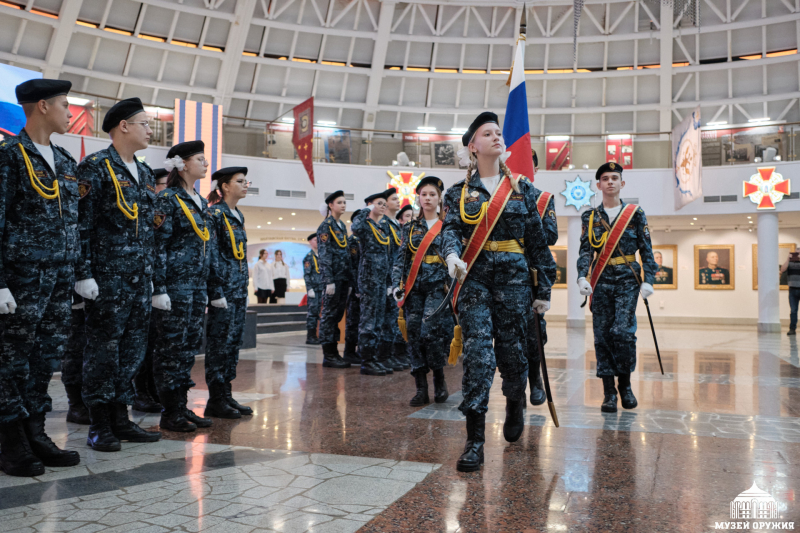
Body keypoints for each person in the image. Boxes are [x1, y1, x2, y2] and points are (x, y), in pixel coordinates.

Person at [441, 112, 556, 472]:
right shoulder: (458, 193)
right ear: (472, 146)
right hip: (474, 280)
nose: (496, 137)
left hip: (515, 282)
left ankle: (514, 402)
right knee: (477, 354)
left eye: (498, 133)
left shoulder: (522, 189)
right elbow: (449, 230)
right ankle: (474, 440)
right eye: (486, 133)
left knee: (512, 352)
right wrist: (451, 255)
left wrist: (544, 289)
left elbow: (537, 243)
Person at [0, 79, 82, 476]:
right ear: (44, 106)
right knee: (10, 360)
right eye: (66, 105)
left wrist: (78, 275)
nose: (71, 113)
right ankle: (9, 439)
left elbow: (74, 224)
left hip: (59, 281)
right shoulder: (9, 156)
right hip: (21, 281)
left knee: (44, 358)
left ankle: (35, 430)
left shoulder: (65, 161)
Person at [76, 97, 162, 451]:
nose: (150, 130)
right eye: (145, 123)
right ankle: (99, 424)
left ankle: (120, 418)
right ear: (123, 126)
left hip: (138, 279)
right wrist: (83, 274)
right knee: (103, 351)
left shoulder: (144, 173)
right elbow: (81, 226)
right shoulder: (95, 167)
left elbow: (149, 231)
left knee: (132, 351)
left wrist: (152, 275)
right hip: (107, 279)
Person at [577, 162, 658, 414]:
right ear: (598, 185)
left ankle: (625, 385)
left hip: (627, 279)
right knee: (602, 336)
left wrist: (649, 279)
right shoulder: (590, 217)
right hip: (600, 280)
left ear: (622, 183)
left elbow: (646, 248)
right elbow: (585, 250)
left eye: (614, 178)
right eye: (605, 178)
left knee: (622, 332)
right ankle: (608, 392)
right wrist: (582, 276)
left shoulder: (635, 213)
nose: (610, 182)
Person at [152, 140, 214, 432]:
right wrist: (159, 288)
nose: (205, 163)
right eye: (200, 159)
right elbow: (158, 245)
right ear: (183, 164)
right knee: (170, 348)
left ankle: (181, 405)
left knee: (188, 348)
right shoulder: (168, 199)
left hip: (196, 287)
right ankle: (169, 411)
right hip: (175, 286)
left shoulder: (200, 201)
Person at [392, 176, 453, 405]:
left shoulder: (447, 226)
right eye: (424, 194)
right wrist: (396, 285)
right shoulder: (410, 228)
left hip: (438, 287)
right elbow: (401, 259)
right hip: (414, 288)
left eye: (432, 195)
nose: (427, 198)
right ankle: (421, 388)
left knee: (430, 333)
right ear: (418, 198)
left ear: (439, 199)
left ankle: (439, 379)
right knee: (414, 334)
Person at [203, 166, 253, 419]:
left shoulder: (237, 214)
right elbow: (211, 255)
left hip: (237, 290)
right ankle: (215, 399)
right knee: (219, 344)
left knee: (233, 343)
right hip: (223, 291)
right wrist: (215, 291)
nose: (246, 185)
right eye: (240, 181)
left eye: (246, 181)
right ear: (224, 186)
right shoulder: (215, 214)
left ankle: (226, 393)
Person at [132, 168, 169, 414]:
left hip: (158, 284)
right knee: (143, 343)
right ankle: (140, 392)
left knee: (157, 342)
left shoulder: (164, 209)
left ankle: (153, 389)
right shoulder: (148, 210)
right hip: (144, 283)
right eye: (165, 184)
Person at [525, 149, 558, 407]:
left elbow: (551, 236)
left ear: (535, 170)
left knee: (534, 332)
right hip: (500, 275)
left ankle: (535, 380)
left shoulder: (543, 199)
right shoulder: (493, 198)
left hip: (531, 274)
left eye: (528, 164)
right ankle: (515, 390)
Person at [352, 192, 393, 375]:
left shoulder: (381, 228)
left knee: (378, 320)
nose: (383, 206)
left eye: (385, 204)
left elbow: (387, 256)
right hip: (369, 279)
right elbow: (355, 227)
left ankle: (373, 357)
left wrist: (389, 281)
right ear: (370, 205)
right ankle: (366, 360)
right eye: (379, 203)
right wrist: (365, 210)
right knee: (368, 320)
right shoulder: (365, 225)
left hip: (381, 280)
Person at [316, 190, 354, 368]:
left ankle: (335, 353)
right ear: (330, 205)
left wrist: (349, 280)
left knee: (337, 315)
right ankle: (329, 354)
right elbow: (324, 255)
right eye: (339, 202)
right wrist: (328, 280)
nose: (343, 205)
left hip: (343, 278)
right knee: (329, 316)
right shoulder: (326, 226)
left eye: (344, 202)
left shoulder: (341, 226)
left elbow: (345, 254)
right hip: (333, 279)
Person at [381, 187, 409, 371]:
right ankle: (383, 356)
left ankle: (390, 355)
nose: (398, 201)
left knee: (393, 318)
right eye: (393, 199)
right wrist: (387, 282)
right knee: (386, 319)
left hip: (395, 279)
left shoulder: (394, 226)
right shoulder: (383, 224)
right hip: (386, 279)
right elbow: (383, 255)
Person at [342, 214, 362, 365]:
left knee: (361, 320)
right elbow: (352, 266)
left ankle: (359, 351)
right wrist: (356, 287)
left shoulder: (363, 240)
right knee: (353, 320)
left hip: (363, 286)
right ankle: (349, 352)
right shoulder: (353, 241)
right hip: (356, 288)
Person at [303, 234, 324, 345]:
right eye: (315, 240)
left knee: (319, 313)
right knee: (312, 313)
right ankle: (310, 336)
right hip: (314, 289)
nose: (318, 241)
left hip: (321, 288)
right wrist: (309, 289)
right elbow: (307, 275)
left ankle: (317, 335)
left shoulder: (321, 256)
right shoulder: (308, 257)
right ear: (310, 242)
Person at [781, 250, 800, 335]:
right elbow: (782, 269)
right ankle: (792, 329)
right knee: (793, 310)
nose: (797, 255)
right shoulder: (790, 263)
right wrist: (787, 259)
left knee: (793, 310)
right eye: (796, 253)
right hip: (792, 290)